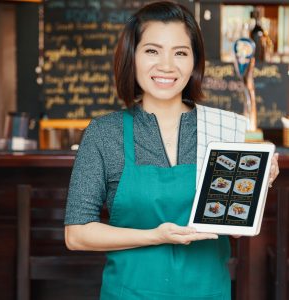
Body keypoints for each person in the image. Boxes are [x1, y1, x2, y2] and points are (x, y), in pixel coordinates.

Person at [64, 2, 279, 299]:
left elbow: (236, 228)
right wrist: (156, 236)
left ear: (194, 62)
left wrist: (260, 181)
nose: (167, 65)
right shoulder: (104, 133)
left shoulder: (223, 129)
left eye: (180, 52)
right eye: (152, 50)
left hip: (207, 292)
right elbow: (77, 234)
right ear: (132, 57)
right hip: (129, 293)